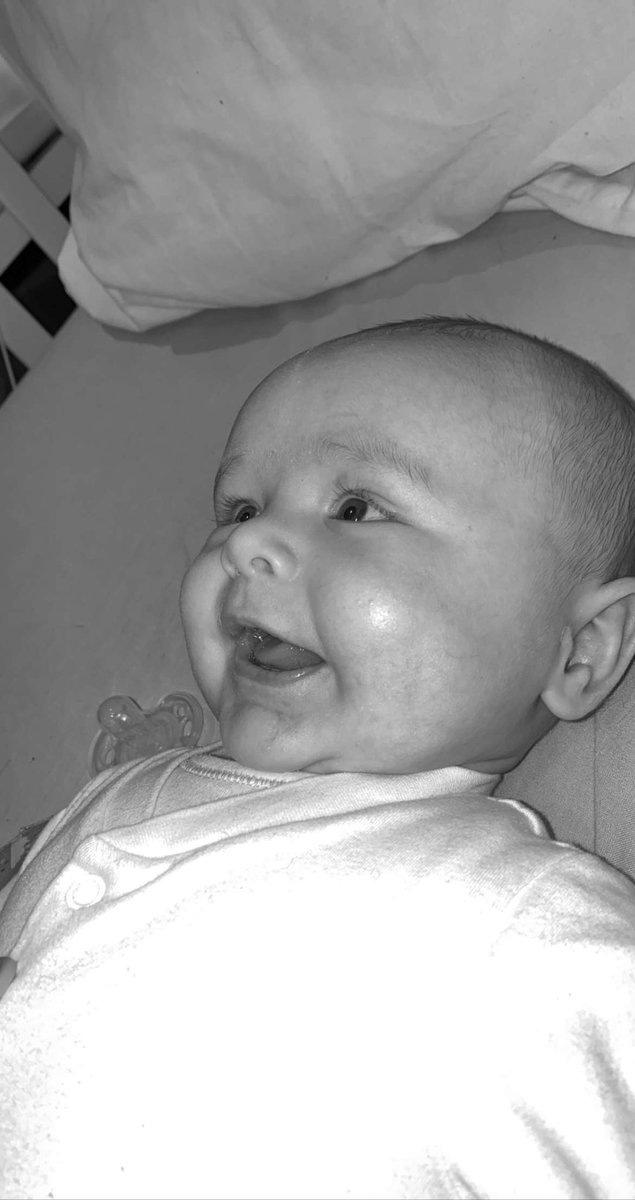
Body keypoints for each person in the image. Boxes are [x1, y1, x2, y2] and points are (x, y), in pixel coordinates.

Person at [1, 316, 635, 1200]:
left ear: (580, 651)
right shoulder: (122, 788)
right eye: (241, 509)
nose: (242, 544)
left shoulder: (522, 927)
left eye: (356, 508)